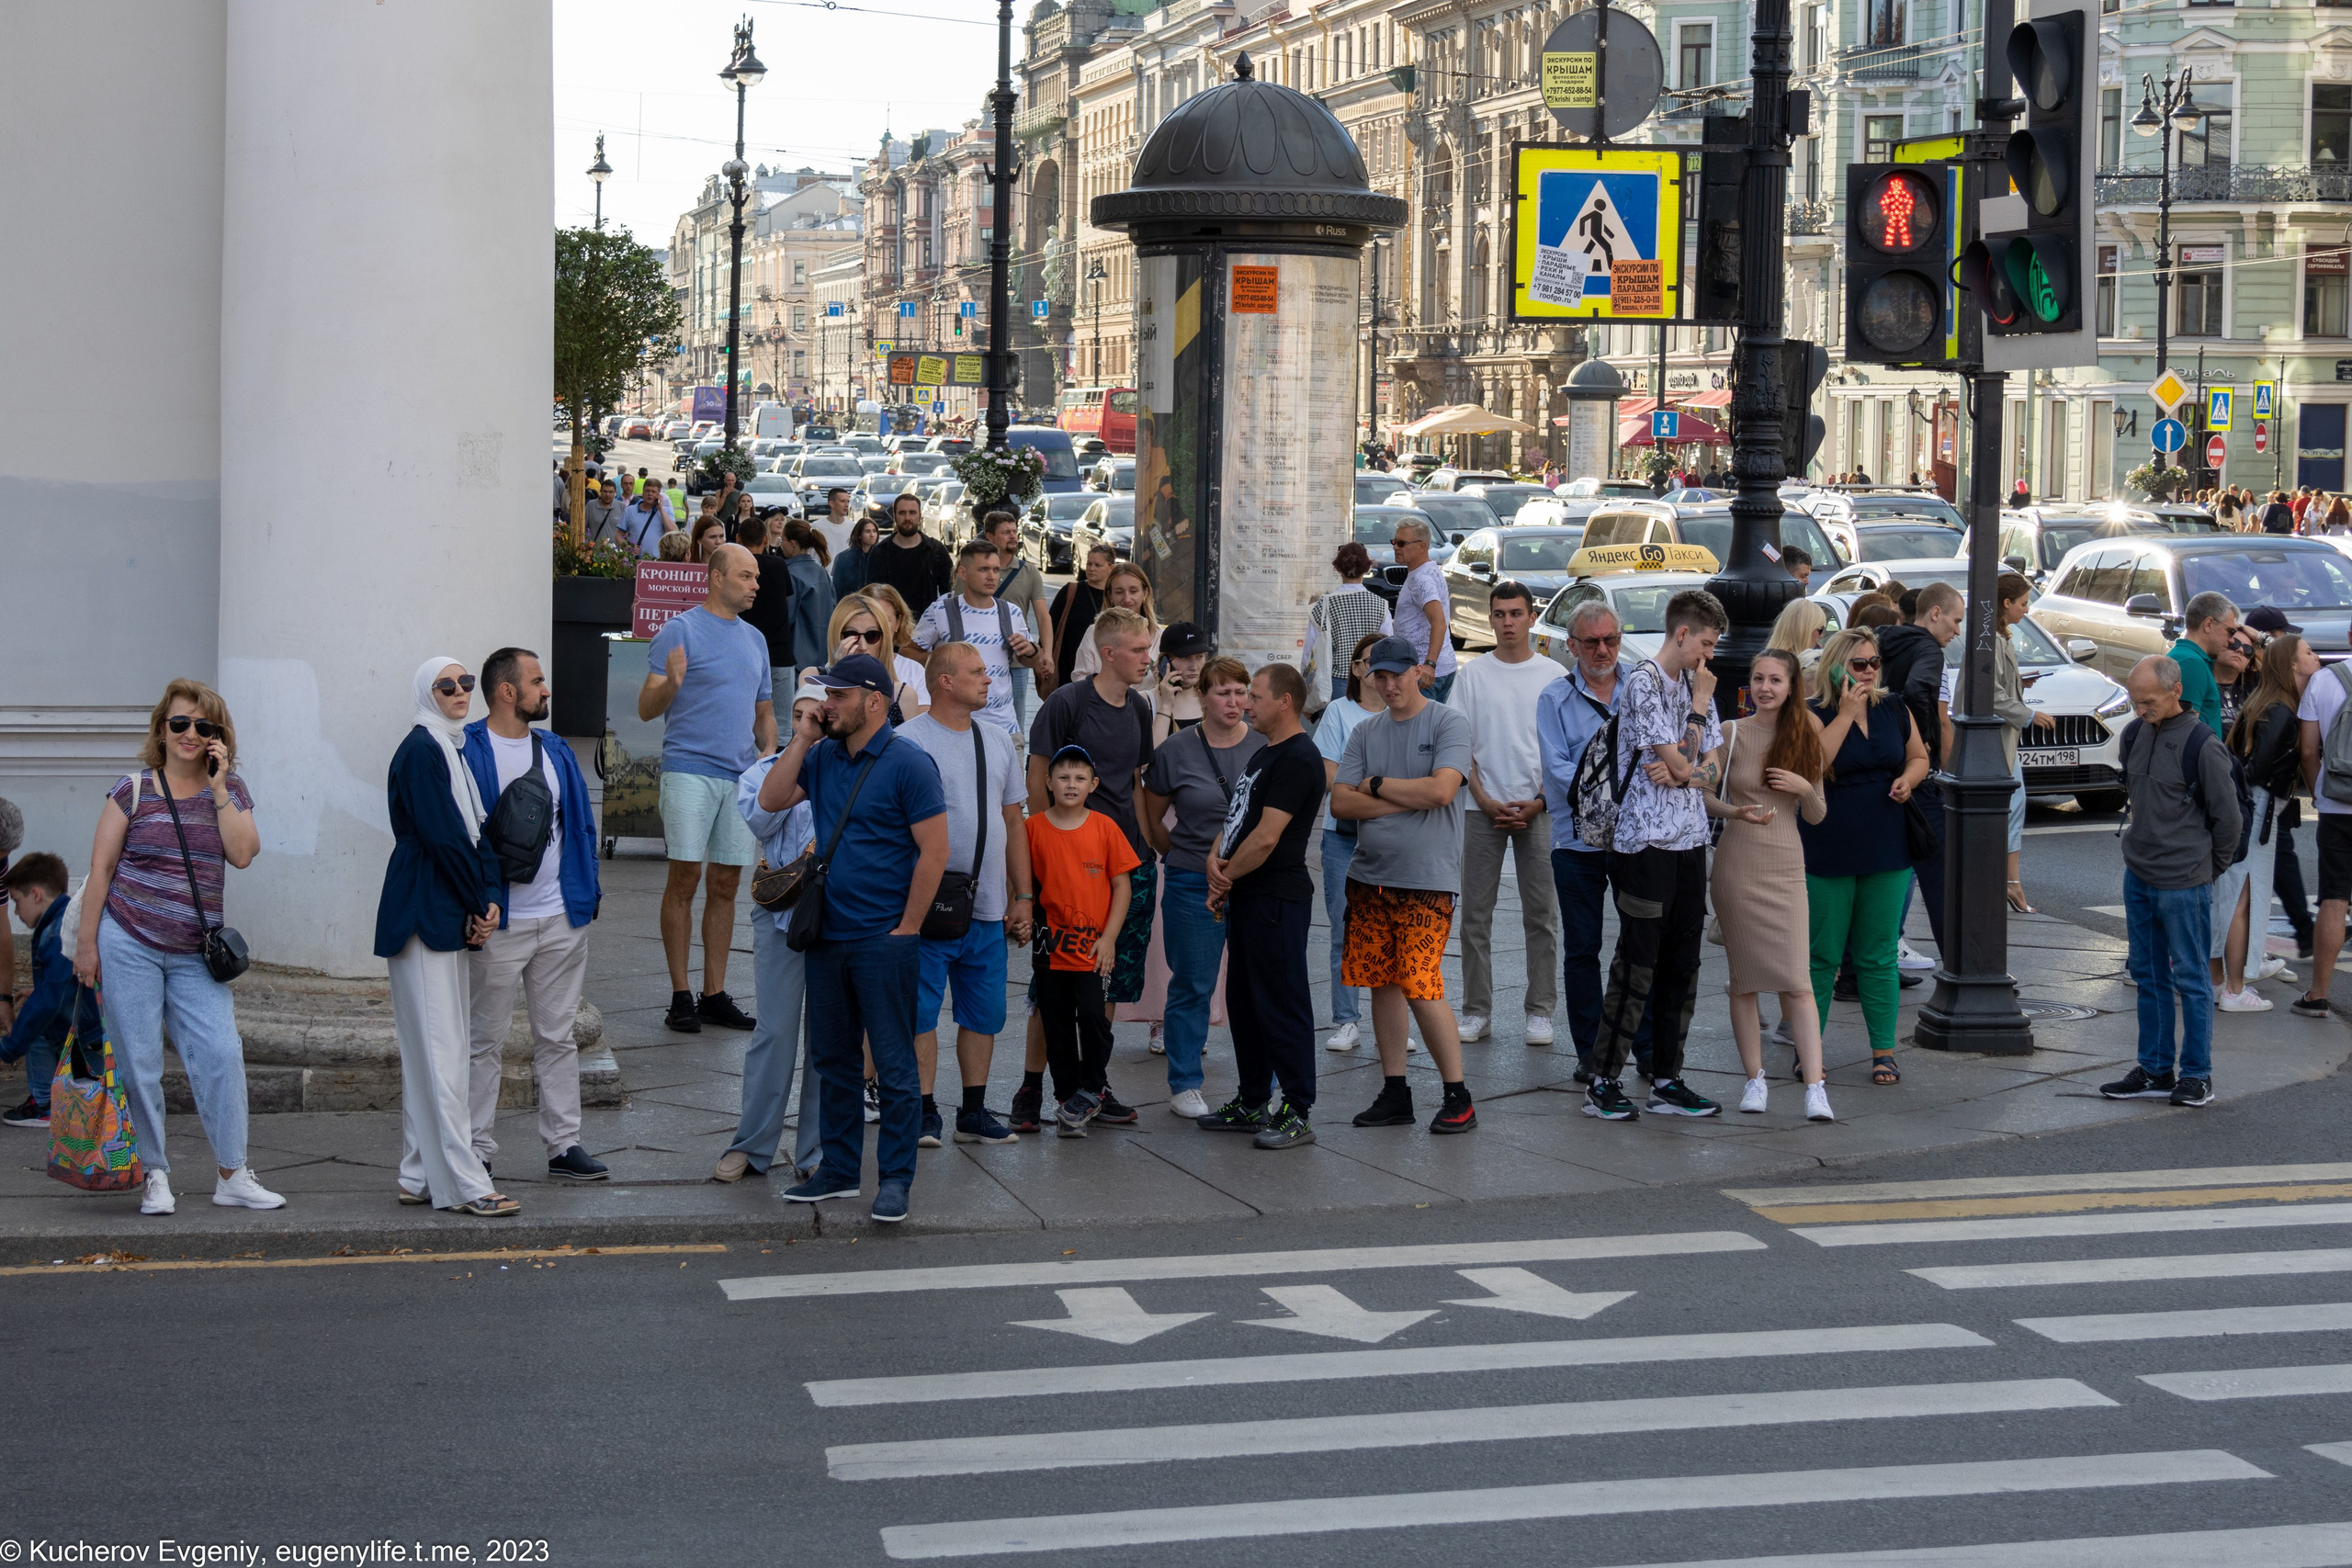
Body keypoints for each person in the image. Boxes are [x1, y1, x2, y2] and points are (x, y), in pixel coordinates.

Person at [756, 653, 950, 1224]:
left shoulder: (909, 764)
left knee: (892, 1064)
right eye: (826, 694)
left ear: (874, 701)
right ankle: (839, 1170)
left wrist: (909, 927)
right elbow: (770, 801)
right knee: (834, 1060)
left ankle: (894, 1180)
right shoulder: (822, 756)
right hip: (828, 934)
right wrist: (801, 737)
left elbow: (936, 850)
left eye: (838, 695)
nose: (827, 703)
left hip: (884, 938)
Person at [74, 680, 277, 1216]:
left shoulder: (229, 792)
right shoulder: (133, 789)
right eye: (181, 724)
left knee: (221, 1053)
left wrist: (220, 787)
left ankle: (233, 1174)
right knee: (139, 1063)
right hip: (128, 940)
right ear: (162, 728)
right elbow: (100, 872)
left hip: (195, 953)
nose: (190, 734)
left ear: (218, 738)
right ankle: (154, 1174)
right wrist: (86, 946)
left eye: (203, 727)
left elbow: (244, 854)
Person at [458, 648, 606, 1185]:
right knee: (484, 1041)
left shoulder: (555, 748)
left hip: (561, 919)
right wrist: (476, 905)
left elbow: (580, 827)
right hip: (499, 923)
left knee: (558, 1036)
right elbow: (463, 839)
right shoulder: (469, 751)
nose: (546, 690)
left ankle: (564, 1145)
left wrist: (585, 897)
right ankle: (475, 1148)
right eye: (537, 681)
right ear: (506, 691)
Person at [1581, 592, 1730, 1121]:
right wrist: (1693, 728)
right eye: (1706, 644)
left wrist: (1690, 767)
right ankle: (1602, 1079)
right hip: (1643, 844)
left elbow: (1710, 769)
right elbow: (1680, 761)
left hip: (1691, 841)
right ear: (1683, 634)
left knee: (1683, 966)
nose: (1708, 657)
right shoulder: (1644, 681)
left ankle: (1668, 1078)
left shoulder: (1699, 685)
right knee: (1637, 964)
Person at [1013, 607, 1159, 1134]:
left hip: (1126, 865)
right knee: (1046, 989)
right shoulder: (1066, 703)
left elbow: (1137, 783)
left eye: (1149, 649)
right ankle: (1032, 1085)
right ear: (1110, 652)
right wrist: (1039, 858)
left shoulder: (1141, 707)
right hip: (1067, 865)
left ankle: (1092, 1086)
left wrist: (1147, 849)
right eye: (1140, 650)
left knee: (1109, 983)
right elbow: (1037, 779)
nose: (1149, 658)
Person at [1329, 636, 1480, 1134]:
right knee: (1382, 983)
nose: (1388, 684)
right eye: (1379, 675)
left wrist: (1374, 785)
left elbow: (1442, 789)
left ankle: (1458, 1094)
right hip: (1368, 876)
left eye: (1397, 674)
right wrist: (1400, 798)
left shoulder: (1447, 722)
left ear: (1418, 671)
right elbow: (1340, 804)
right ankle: (1396, 1091)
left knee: (1420, 982)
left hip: (1426, 879)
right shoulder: (1366, 732)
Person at [377, 659, 511, 1215]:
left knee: (435, 1052)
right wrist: (480, 900)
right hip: (425, 907)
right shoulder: (423, 749)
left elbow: (475, 832)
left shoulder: (448, 747)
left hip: (439, 904)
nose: (460, 693)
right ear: (426, 694)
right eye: (446, 686)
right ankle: (463, 1183)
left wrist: (487, 898)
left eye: (465, 684)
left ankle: (416, 1173)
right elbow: (444, 836)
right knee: (442, 1055)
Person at [639, 546, 775, 1035]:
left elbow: (764, 711)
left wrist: (771, 753)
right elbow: (645, 709)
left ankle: (713, 993)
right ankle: (680, 995)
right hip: (689, 771)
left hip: (738, 778)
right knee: (685, 879)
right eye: (746, 575)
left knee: (726, 884)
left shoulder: (756, 639)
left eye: (756, 576)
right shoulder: (680, 630)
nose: (755, 583)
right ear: (716, 578)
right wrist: (672, 683)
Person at [899, 641, 1031, 1148]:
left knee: (984, 1013)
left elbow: (1013, 821)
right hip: (927, 903)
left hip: (988, 904)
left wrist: (1024, 895)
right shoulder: (907, 740)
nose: (989, 679)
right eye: (976, 672)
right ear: (944, 682)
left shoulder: (997, 739)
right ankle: (923, 1111)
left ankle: (973, 1112)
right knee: (919, 1012)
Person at [2103, 656, 2241, 1106]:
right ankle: (2156, 1068)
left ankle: (2197, 1073)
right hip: (2139, 875)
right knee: (2147, 974)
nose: (2140, 709)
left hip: (2184, 881)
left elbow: (2229, 820)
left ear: (2175, 691)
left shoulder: (2202, 745)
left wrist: (2207, 870)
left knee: (2192, 977)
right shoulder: (2134, 734)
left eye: (2148, 702)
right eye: (2134, 700)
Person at [1705, 649, 1834, 1121]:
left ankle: (1815, 1088)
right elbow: (1703, 797)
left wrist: (1803, 788)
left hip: (1786, 866)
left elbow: (1818, 816)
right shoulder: (1731, 732)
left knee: (1798, 983)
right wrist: (1736, 811)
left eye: (1774, 680)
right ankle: (1754, 1081)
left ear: (1791, 685)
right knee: (1744, 983)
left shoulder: (1808, 731)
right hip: (1738, 865)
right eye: (1758, 678)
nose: (1764, 687)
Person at [1204, 661, 1328, 1149]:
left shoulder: (1298, 757)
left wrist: (1223, 879)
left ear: (1284, 702)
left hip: (1276, 897)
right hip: (1249, 895)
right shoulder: (1264, 752)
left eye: (1254, 696)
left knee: (1282, 1004)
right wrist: (1217, 857)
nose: (1245, 705)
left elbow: (1268, 837)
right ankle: (1252, 1099)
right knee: (1246, 1003)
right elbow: (1238, 819)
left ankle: (1297, 1109)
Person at [1802, 628, 1931, 1088]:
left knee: (1878, 957)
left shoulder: (1894, 707)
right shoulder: (1813, 712)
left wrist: (1909, 780)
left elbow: (1919, 757)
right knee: (1822, 956)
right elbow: (1813, 767)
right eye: (1859, 664)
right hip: (1828, 843)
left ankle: (1884, 1052)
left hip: (1887, 843)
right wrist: (1848, 711)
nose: (1870, 671)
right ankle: (1808, 1051)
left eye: (1874, 663)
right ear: (1836, 666)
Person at [1138, 656, 1263, 1119]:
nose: (1233, 702)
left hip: (1253, 881)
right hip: (1193, 879)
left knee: (1256, 983)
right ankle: (1185, 1080)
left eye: (1240, 692)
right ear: (1202, 698)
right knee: (1192, 982)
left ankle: (1261, 1079)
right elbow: (1152, 817)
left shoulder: (1267, 747)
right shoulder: (1175, 750)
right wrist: (1182, 856)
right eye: (1223, 693)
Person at [1537, 599, 1655, 1084]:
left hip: (1635, 840)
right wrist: (1616, 796)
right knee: (1583, 949)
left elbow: (1658, 751)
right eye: (1592, 642)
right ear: (1572, 646)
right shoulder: (1554, 699)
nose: (1603, 649)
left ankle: (1647, 1048)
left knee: (1642, 945)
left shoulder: (1641, 686)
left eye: (1610, 639)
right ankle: (1590, 1051)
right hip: (1577, 843)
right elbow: (1556, 768)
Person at [1449, 580, 1563, 1047]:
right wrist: (1484, 796)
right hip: (1483, 808)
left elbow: (1562, 749)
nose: (1508, 622)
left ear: (1531, 617)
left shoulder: (1554, 674)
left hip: (1540, 808)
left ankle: (1540, 1010)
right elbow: (1460, 746)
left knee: (1542, 915)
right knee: (1475, 915)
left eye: (1516, 613)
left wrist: (1538, 800)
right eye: (1500, 614)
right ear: (1490, 617)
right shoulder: (1472, 675)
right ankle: (1477, 1010)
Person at [717, 686, 823, 1183]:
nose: (808, 722)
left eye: (817, 716)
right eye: (799, 715)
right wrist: (802, 746)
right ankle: (753, 1144)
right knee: (775, 1032)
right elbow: (761, 816)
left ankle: (816, 1153)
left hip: (840, 917)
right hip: (783, 914)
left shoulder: (848, 767)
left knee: (828, 1037)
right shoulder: (764, 771)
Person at [1027, 745, 1136, 1136]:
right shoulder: (1032, 828)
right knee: (1056, 1027)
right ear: (1048, 781)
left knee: (1093, 1019)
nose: (1071, 784)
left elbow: (1122, 886)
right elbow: (1021, 882)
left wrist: (1109, 938)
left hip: (1094, 951)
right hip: (1048, 950)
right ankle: (1067, 1099)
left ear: (1094, 783)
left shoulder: (1106, 827)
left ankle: (1092, 1089)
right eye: (1063, 777)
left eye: (1079, 778)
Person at [2219, 631, 2314, 1011]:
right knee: (2248, 890)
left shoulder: (2269, 702)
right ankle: (2239, 977)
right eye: (2309, 652)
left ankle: (2240, 969)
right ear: (2292, 664)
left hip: (2254, 805)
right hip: (2258, 807)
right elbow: (2257, 769)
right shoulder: (2281, 710)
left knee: (2244, 889)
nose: (2316, 656)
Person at [1876, 581, 1963, 960]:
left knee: (1880, 874)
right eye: (1956, 621)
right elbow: (1916, 690)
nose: (1957, 631)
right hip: (1916, 773)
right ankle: (1960, 964)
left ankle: (1859, 966)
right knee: (1940, 874)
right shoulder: (1928, 648)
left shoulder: (1885, 640)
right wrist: (1920, 738)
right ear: (1935, 613)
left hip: (1881, 763)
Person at [1314, 635, 1385, 1055]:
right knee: (1344, 926)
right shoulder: (1339, 713)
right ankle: (1346, 1020)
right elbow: (1328, 776)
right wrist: (1384, 791)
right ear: (1357, 669)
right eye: (1372, 663)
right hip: (1342, 837)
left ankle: (1387, 1020)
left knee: (1390, 929)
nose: (1381, 671)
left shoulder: (1404, 714)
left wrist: (1361, 788)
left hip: (1394, 837)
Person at [0, 853, 99, 1130]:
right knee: (36, 1013)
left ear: (35, 895)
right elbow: (63, 983)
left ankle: (45, 1105)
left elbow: (48, 1001)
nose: (17, 912)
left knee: (35, 1021)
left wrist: (9, 1048)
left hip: (86, 1034)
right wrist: (39, 990)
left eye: (17, 902)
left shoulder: (58, 933)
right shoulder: (61, 921)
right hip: (85, 1027)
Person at [912, 538, 1041, 741]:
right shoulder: (941, 611)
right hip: (953, 728)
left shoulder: (1011, 613)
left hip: (1004, 729)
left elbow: (1033, 661)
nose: (992, 577)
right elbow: (908, 652)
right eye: (983, 570)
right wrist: (941, 662)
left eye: (996, 570)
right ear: (963, 573)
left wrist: (1031, 651)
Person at [1993, 572, 2052, 913]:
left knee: (2014, 807)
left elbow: (1997, 686)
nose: (2026, 610)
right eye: (2023, 603)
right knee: (2013, 808)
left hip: (2005, 741)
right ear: (2006, 604)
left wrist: (2018, 683)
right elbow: (1990, 694)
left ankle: (2009, 881)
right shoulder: (1994, 640)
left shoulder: (2000, 638)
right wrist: (2029, 715)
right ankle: (2010, 882)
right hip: (2000, 741)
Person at [1302, 543, 1391, 710]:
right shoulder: (1381, 605)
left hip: (1334, 683)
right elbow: (1386, 648)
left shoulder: (1323, 606)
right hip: (1370, 679)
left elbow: (1309, 651)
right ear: (1367, 569)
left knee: (1335, 733)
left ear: (1337, 568)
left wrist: (1308, 694)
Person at [987, 509, 1057, 716]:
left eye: (1014, 531)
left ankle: (1014, 750)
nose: (1013, 536)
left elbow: (1043, 616)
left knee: (1016, 714)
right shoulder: (975, 570)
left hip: (1018, 658)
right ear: (990, 537)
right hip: (982, 655)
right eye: (1006, 532)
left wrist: (1047, 654)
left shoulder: (1029, 571)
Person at [828, 592, 929, 722]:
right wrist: (840, 674)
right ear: (836, 635)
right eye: (852, 636)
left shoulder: (903, 693)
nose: (863, 646)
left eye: (872, 635)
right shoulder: (814, 678)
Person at [1388, 516, 1458, 702]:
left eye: (1402, 543)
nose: (1395, 547)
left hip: (1425, 674)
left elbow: (1440, 622)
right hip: (1438, 668)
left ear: (1422, 546)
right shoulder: (1427, 570)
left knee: (1419, 728)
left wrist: (1429, 665)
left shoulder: (1422, 579)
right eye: (1394, 542)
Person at [865, 491, 955, 615]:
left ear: (920, 516)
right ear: (894, 516)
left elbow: (950, 593)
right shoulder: (880, 552)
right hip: (892, 625)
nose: (907, 518)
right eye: (902, 513)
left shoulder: (936, 550)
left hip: (928, 626)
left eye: (912, 512)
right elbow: (872, 594)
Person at [1069, 561, 1163, 678]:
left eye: (1133, 591)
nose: (1127, 599)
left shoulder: (1159, 636)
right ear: (1110, 596)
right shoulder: (1094, 633)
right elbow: (1081, 679)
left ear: (1145, 593)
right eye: (1119, 592)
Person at [2171, 591, 2241, 737]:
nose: (2231, 640)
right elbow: (2185, 732)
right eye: (2230, 631)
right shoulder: (2191, 663)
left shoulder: (2189, 658)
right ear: (2208, 624)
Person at [1049, 545, 1114, 684]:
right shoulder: (1070, 591)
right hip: (1067, 668)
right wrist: (1045, 657)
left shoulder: (1115, 596)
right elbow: (1050, 625)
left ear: (1111, 568)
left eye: (1098, 565)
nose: (1091, 568)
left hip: (1103, 668)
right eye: (1089, 563)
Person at [1767, 598, 1829, 671]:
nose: (1821, 635)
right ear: (1806, 630)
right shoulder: (1803, 667)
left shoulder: (1767, 660)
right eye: (1821, 629)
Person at [832, 515, 880, 596]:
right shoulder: (844, 557)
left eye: (874, 531)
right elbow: (838, 587)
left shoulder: (882, 555)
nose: (872, 535)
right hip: (852, 603)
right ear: (859, 535)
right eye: (867, 531)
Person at [811, 487, 860, 560]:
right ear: (832, 503)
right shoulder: (816, 527)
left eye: (848, 501)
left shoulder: (853, 527)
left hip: (845, 571)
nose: (846, 505)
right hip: (823, 570)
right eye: (842, 501)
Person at [582, 478, 625, 547]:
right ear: (600, 491)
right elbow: (583, 527)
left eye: (611, 492)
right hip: (595, 552)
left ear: (615, 493)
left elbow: (626, 531)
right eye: (605, 491)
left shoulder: (622, 506)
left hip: (615, 553)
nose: (607, 494)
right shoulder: (591, 505)